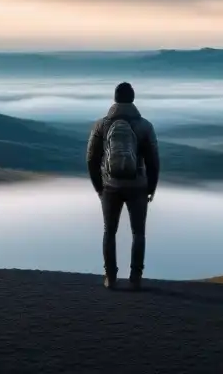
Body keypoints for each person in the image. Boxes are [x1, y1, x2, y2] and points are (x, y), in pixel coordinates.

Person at [86, 81, 160, 290]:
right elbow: (154, 161)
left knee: (109, 231)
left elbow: (91, 159)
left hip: (110, 186)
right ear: (133, 99)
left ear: (115, 99)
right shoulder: (145, 126)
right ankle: (135, 278)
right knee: (138, 232)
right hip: (138, 185)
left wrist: (99, 188)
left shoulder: (102, 125)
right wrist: (151, 189)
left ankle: (110, 277)